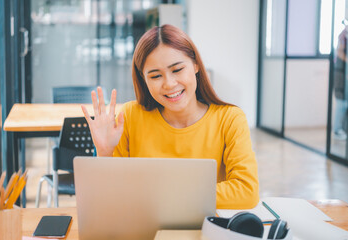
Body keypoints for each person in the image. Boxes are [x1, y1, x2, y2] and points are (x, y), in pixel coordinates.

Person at [81, 24, 259, 209]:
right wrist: (104, 154)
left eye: (177, 70)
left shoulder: (230, 119)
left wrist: (164, 194)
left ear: (196, 65)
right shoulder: (130, 116)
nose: (169, 84)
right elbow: (111, 198)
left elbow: (247, 191)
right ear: (144, 80)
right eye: (156, 76)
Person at [333, 27, 348, 140]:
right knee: (341, 103)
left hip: (343, 73)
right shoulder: (343, 36)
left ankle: (341, 128)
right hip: (340, 74)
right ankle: (337, 130)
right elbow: (339, 52)